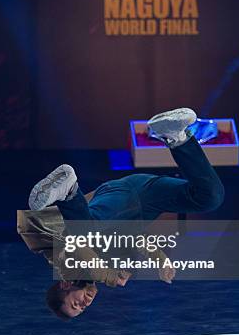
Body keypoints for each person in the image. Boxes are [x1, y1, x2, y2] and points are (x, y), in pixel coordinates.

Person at [17, 108, 225, 320]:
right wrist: (159, 258)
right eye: (82, 309)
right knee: (209, 197)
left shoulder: (63, 264)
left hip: (119, 196)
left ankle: (69, 193)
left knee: (87, 231)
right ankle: (175, 135)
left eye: (75, 303)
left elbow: (81, 248)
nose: (84, 303)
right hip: (145, 199)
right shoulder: (98, 269)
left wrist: (108, 275)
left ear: (65, 285)